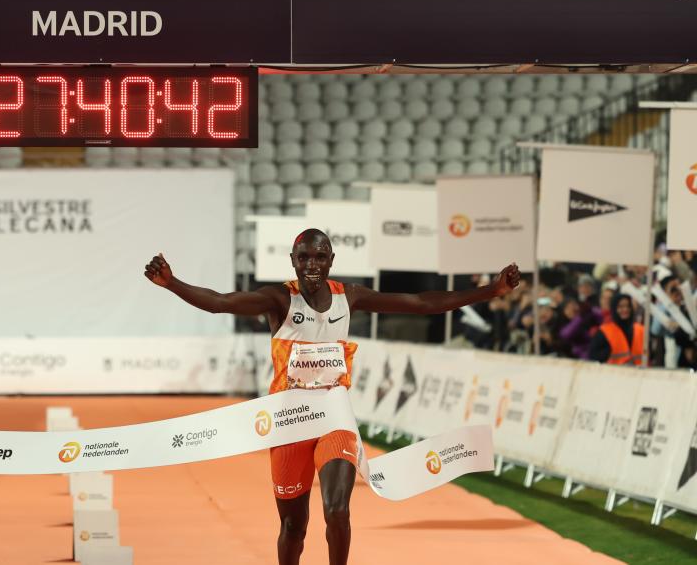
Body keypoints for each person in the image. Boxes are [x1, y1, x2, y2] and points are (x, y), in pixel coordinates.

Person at [144, 229, 521, 565]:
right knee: (294, 526)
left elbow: (421, 302)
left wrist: (493, 290)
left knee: (337, 510)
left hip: (334, 417)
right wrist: (172, 283)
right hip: (288, 422)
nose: (312, 264)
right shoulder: (278, 299)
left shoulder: (348, 296)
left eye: (320, 256)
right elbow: (221, 302)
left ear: (331, 261)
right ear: (292, 262)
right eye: (304, 257)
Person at [588, 293, 644, 365]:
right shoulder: (604, 331)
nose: (625, 309)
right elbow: (594, 356)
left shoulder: (641, 330)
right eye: (620, 307)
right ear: (614, 309)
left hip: (640, 373)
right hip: (614, 374)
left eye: (628, 306)